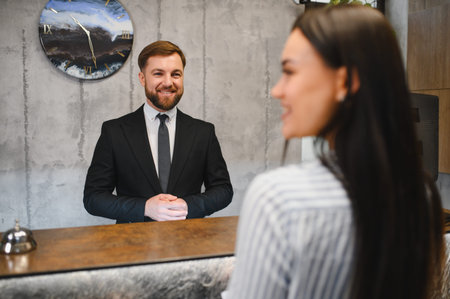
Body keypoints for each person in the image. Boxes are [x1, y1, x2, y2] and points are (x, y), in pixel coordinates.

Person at [224, 5, 444, 299]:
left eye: (290, 71)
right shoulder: (423, 194)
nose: (278, 89)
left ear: (345, 81)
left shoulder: (277, 199)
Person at [84, 41, 233, 223]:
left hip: (190, 241)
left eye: (176, 74)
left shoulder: (203, 132)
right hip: (132, 245)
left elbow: (223, 190)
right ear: (142, 78)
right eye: (158, 74)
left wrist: (188, 206)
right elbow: (93, 198)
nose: (168, 82)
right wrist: (145, 208)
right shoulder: (114, 132)